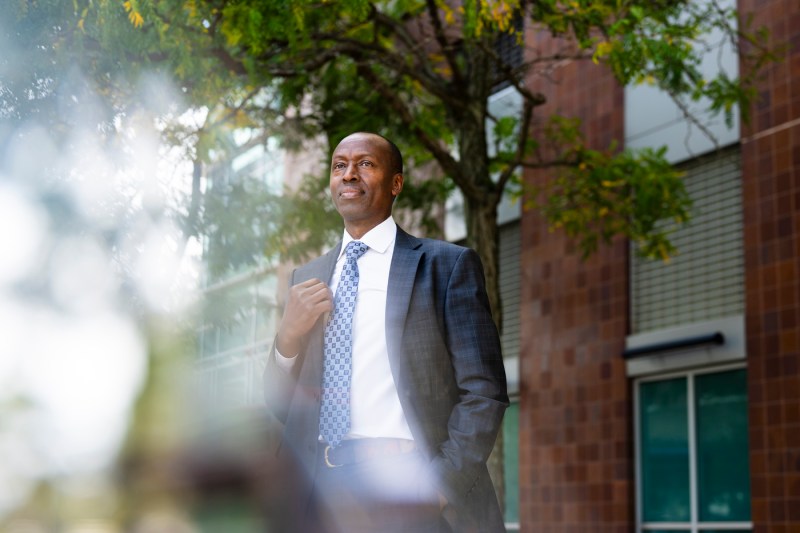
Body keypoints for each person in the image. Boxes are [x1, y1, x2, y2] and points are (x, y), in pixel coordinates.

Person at [264, 132, 508, 533]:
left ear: (396, 183)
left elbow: (484, 392)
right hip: (322, 493)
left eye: (365, 164)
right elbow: (279, 405)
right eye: (339, 166)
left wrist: (440, 485)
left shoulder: (446, 267)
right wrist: (286, 340)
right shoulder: (306, 278)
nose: (349, 175)